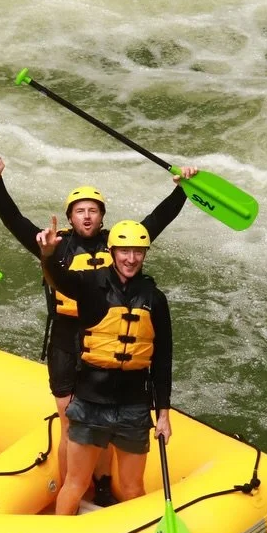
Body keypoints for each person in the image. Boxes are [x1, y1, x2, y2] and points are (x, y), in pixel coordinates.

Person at [0, 156, 195, 503]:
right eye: (80, 210)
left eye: (93, 211)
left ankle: (104, 482)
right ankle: (72, 485)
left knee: (106, 422)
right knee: (72, 422)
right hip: (67, 341)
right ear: (69, 216)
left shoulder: (118, 244)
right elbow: (13, 220)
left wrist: (182, 191)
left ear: (102, 217)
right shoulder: (55, 243)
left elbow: (154, 224)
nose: (86, 216)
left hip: (103, 339)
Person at [36, 217, 172, 515]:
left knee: (134, 487)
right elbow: (58, 278)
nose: (131, 258)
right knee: (75, 482)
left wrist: (163, 413)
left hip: (134, 406)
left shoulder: (155, 299)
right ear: (112, 251)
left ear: (145, 255)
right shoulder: (89, 284)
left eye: (138, 252)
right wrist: (47, 254)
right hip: (89, 402)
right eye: (125, 251)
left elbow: (163, 360)